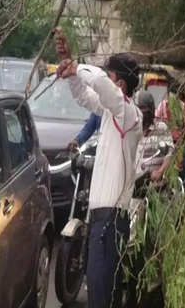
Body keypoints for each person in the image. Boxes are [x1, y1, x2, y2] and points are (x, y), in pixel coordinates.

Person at [55, 27, 142, 308]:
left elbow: (101, 85)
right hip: (101, 222)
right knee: (100, 295)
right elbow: (85, 96)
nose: (106, 80)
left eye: (112, 75)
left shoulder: (129, 114)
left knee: (102, 298)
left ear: (122, 86)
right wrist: (71, 70)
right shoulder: (109, 114)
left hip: (111, 223)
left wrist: (78, 66)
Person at [134, 91, 173, 181]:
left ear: (151, 110)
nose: (141, 114)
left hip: (154, 184)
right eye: (138, 110)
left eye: (144, 110)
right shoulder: (131, 130)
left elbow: (170, 154)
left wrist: (160, 171)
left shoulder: (161, 128)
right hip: (134, 182)